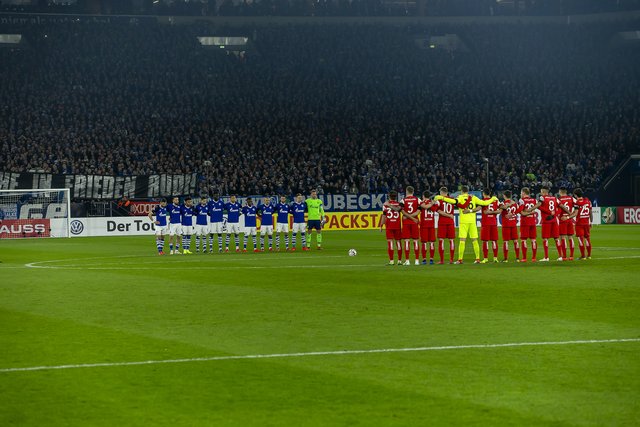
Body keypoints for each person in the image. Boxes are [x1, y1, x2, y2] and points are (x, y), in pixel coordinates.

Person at [436, 185, 498, 264]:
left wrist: (442, 198)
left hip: (463, 222)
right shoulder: (473, 197)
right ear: (468, 191)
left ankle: (460, 259)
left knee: (462, 240)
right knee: (474, 240)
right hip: (472, 221)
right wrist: (493, 198)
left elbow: (453, 202)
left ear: (462, 191)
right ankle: (477, 259)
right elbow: (484, 203)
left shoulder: (460, 197)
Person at [531, 185, 562, 262]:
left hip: (546, 220)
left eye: (541, 192)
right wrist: (554, 214)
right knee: (556, 238)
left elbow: (539, 206)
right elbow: (561, 207)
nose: (540, 193)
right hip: (554, 220)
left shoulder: (542, 198)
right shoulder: (554, 198)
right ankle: (560, 256)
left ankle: (546, 257)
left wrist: (548, 212)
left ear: (543, 192)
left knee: (545, 238)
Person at [379, 190, 403, 265]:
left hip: (389, 226)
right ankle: (399, 261)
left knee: (390, 242)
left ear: (389, 196)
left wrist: (381, 225)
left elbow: (384, 216)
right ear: (396, 197)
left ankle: (391, 261)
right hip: (397, 225)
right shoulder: (399, 204)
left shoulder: (385, 204)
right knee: (398, 242)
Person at [434, 187, 456, 264]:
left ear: (442, 192)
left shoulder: (439, 200)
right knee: (451, 240)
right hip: (450, 222)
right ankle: (451, 260)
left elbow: (438, 210)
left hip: (442, 222)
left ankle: (442, 260)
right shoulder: (452, 200)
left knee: (441, 240)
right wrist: (450, 215)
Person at [399, 186, 421, 265]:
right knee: (415, 241)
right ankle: (417, 260)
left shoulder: (403, 200)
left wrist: (408, 216)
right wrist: (413, 218)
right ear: (413, 191)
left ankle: (407, 261)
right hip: (415, 222)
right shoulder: (418, 200)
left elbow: (401, 211)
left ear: (406, 191)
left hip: (406, 222)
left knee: (406, 241)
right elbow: (418, 211)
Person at [517, 187, 538, 262]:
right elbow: (535, 210)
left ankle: (524, 258)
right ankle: (534, 258)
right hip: (532, 221)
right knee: (533, 240)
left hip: (525, 222)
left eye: (521, 192)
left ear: (523, 193)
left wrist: (527, 212)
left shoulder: (521, 200)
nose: (520, 194)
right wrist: (531, 212)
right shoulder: (534, 200)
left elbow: (522, 213)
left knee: (523, 240)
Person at [479, 189, 500, 263]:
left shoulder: (482, 201)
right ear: (490, 193)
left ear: (483, 194)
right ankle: (495, 258)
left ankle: (485, 259)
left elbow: (479, 209)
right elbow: (500, 210)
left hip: (486, 223)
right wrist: (493, 212)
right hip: (493, 222)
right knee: (494, 241)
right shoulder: (495, 200)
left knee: (485, 241)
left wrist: (470, 210)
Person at [498, 190, 520, 262]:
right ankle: (517, 258)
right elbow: (518, 211)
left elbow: (500, 211)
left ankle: (505, 259)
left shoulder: (502, 203)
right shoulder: (515, 203)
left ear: (504, 196)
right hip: (513, 224)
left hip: (506, 224)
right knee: (515, 241)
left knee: (506, 241)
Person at [572, 188, 593, 260]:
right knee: (587, 239)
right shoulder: (588, 201)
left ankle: (583, 256)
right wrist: (591, 222)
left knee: (581, 240)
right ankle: (589, 256)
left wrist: (568, 217)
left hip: (579, 224)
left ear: (575, 195)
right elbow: (590, 212)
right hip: (586, 223)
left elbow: (575, 213)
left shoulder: (577, 203)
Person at [419, 190, 438, 265]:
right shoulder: (432, 203)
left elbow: (421, 208)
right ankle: (431, 259)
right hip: (431, 225)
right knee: (432, 242)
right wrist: (432, 203)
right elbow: (435, 209)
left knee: (424, 243)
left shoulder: (421, 203)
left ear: (423, 196)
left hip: (424, 225)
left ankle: (424, 259)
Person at [557, 187, 576, 260]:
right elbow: (578, 205)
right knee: (570, 237)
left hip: (562, 220)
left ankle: (564, 257)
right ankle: (571, 256)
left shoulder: (558, 199)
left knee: (563, 238)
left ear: (560, 192)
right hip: (569, 219)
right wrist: (572, 213)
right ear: (566, 192)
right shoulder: (571, 198)